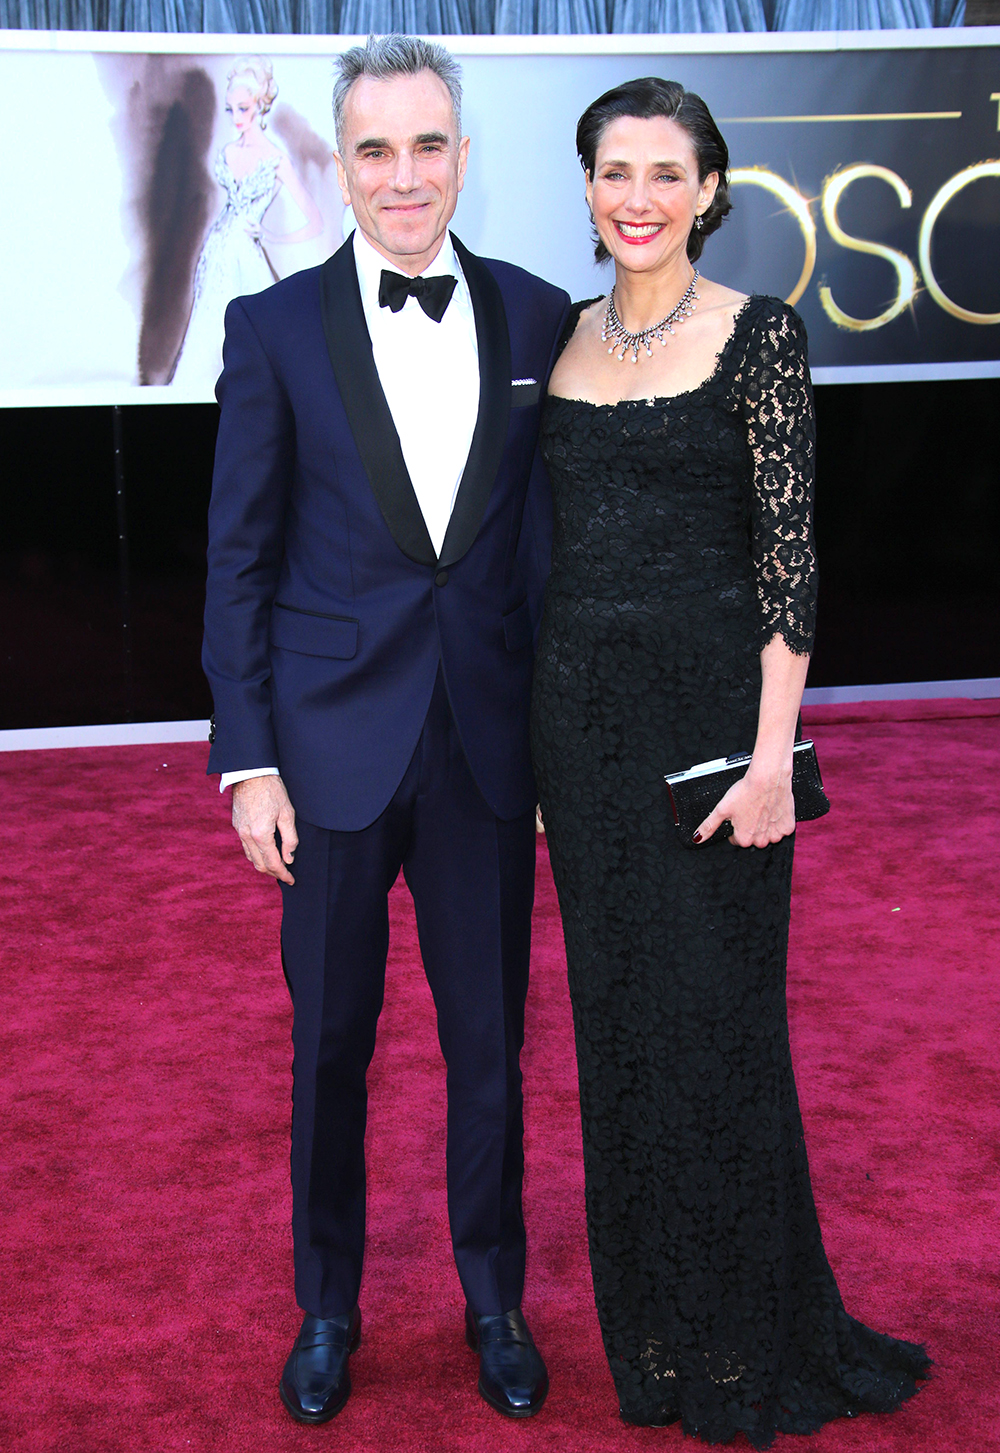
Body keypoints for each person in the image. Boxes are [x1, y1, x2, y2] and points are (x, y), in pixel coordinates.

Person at [530, 77, 930, 1447]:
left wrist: (774, 761)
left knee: (721, 1034)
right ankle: (656, 1342)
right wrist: (535, 769)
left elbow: (789, 564)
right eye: (613, 171)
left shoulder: (760, 337)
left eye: (665, 172)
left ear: (710, 190)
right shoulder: (560, 342)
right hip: (580, 750)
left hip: (716, 745)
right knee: (620, 1041)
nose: (635, 196)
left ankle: (756, 1340)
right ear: (587, 190)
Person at [202, 34, 568, 1427]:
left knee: (491, 1045)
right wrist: (250, 760)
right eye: (374, 149)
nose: (403, 176)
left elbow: (551, 554)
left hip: (484, 750)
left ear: (464, 156)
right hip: (330, 750)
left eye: (427, 146)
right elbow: (238, 559)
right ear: (339, 162)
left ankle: (494, 1297)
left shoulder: (541, 320)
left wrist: (558, 752)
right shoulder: (275, 329)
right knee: (329, 1050)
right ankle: (327, 1307)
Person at [171, 55, 322, 389]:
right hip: (215, 252)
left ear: (260, 106)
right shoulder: (226, 152)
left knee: (253, 346)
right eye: (231, 109)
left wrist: (270, 238)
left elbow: (315, 221)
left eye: (244, 108)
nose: (237, 117)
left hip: (245, 256)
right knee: (206, 336)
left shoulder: (275, 159)